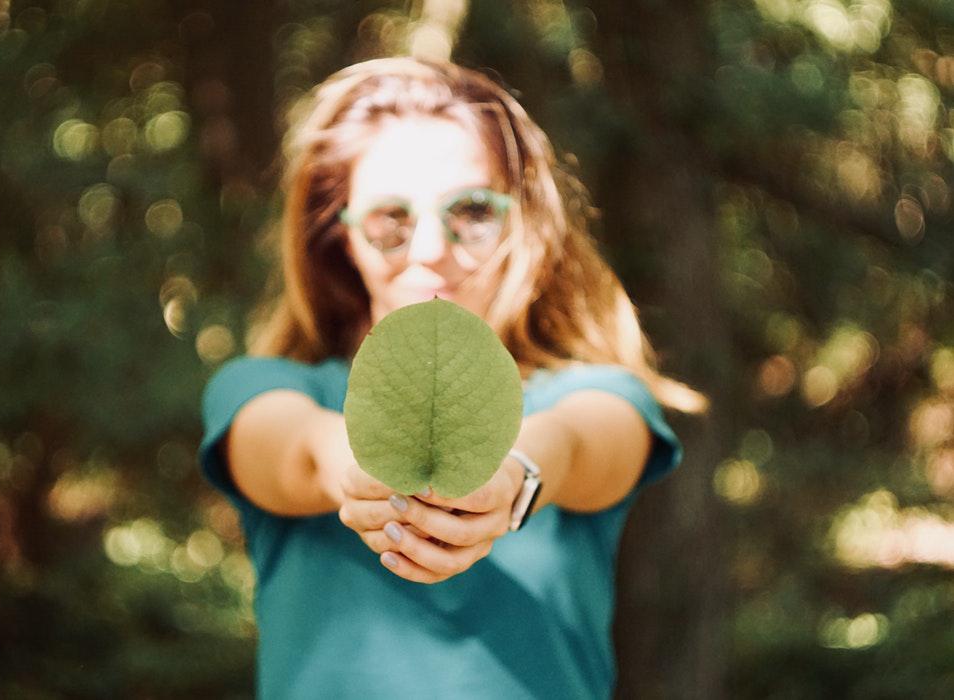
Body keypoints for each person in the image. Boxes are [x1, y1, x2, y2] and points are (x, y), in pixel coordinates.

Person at [198, 56, 706, 699]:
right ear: (340, 237)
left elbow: (578, 444)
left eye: (471, 210)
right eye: (391, 218)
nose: (432, 249)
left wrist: (512, 477)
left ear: (521, 221)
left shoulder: (596, 394)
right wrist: (359, 469)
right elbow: (295, 450)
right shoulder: (261, 388)